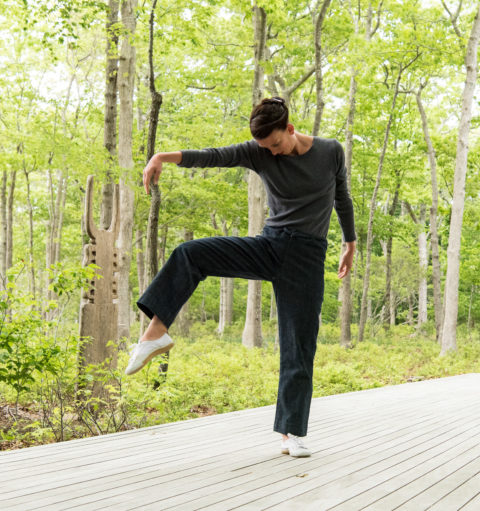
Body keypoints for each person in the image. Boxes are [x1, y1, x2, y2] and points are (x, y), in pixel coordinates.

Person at [125, 97, 356, 458]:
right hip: (271, 246)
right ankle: (155, 334)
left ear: (290, 130)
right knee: (191, 253)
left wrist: (350, 241)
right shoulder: (259, 152)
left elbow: (341, 195)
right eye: (265, 148)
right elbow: (213, 155)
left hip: (307, 258)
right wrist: (162, 157)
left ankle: (291, 433)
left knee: (299, 346)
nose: (272, 153)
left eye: (276, 144)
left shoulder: (330, 152)